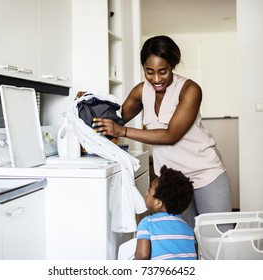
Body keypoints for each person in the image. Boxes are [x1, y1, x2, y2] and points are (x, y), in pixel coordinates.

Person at [91, 35, 232, 228]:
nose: (156, 79)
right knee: (183, 243)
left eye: (163, 72)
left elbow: (171, 135)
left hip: (205, 173)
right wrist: (89, 101)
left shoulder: (190, 90)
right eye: (149, 72)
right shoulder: (141, 91)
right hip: (173, 181)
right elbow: (115, 118)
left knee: (217, 241)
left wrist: (122, 131)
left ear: (172, 65)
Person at [135, 165, 196, 260]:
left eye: (149, 191)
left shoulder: (147, 223)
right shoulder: (188, 229)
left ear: (158, 203)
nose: (146, 193)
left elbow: (142, 256)